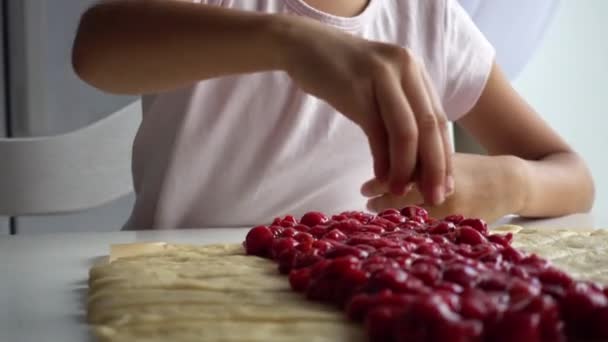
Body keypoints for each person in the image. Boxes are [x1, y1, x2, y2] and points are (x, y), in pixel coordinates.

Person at [72, 0, 594, 229]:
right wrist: (288, 40)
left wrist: (512, 183)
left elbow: (571, 173)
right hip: (171, 294)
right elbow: (96, 50)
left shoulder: (433, 17)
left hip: (355, 302)